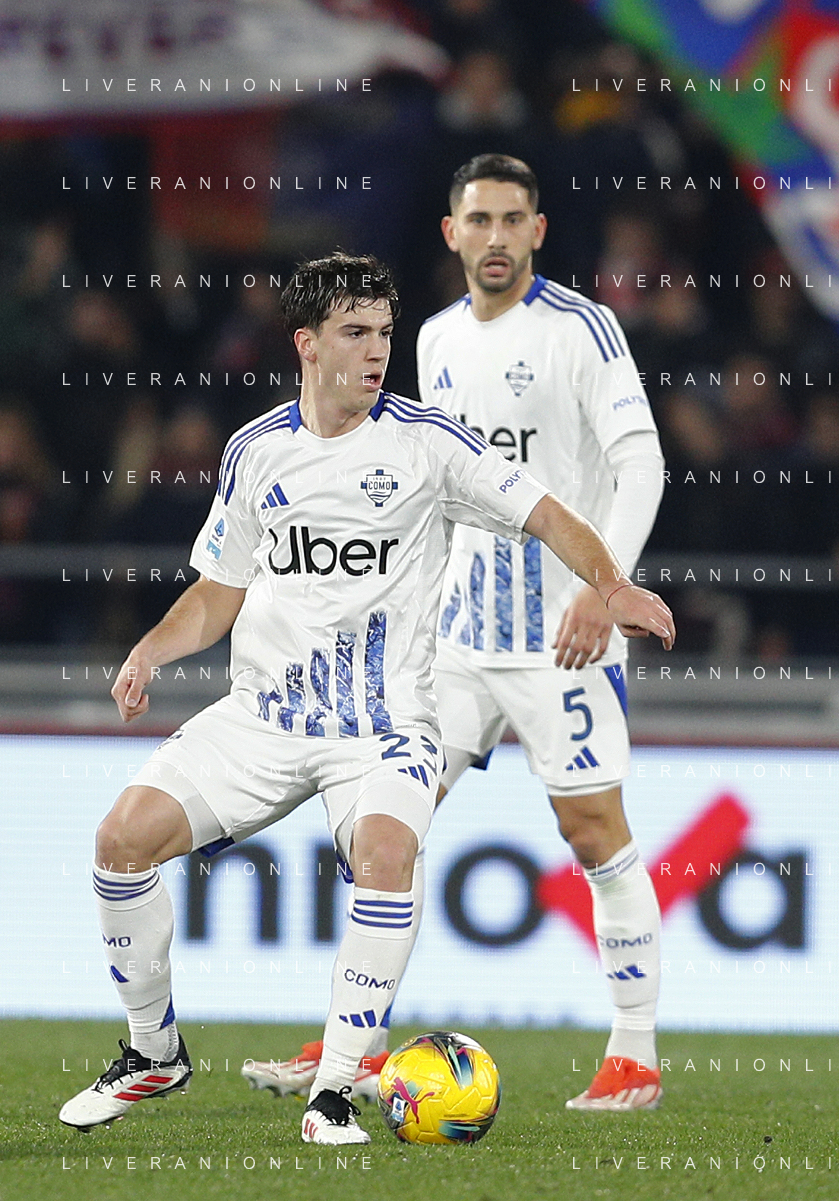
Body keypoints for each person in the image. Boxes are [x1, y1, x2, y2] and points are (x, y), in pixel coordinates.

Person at [58, 251, 675, 1144]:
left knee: (388, 851)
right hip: (265, 717)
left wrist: (610, 584)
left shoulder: (429, 443)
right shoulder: (255, 450)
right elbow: (219, 592)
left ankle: (337, 1089)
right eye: (355, 332)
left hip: (385, 728)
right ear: (307, 343)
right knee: (120, 840)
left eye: (385, 331)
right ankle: (154, 1053)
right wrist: (153, 648)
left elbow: (548, 512)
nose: (377, 349)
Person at [244, 155, 669, 1113]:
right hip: (454, 637)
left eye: (514, 219)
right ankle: (354, 1043)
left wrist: (604, 585)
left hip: (563, 630)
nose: (496, 237)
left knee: (592, 829)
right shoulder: (430, 339)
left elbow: (640, 464)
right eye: (479, 220)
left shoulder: (581, 330)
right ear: (452, 233)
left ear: (538, 231)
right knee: (384, 822)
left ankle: (633, 1054)